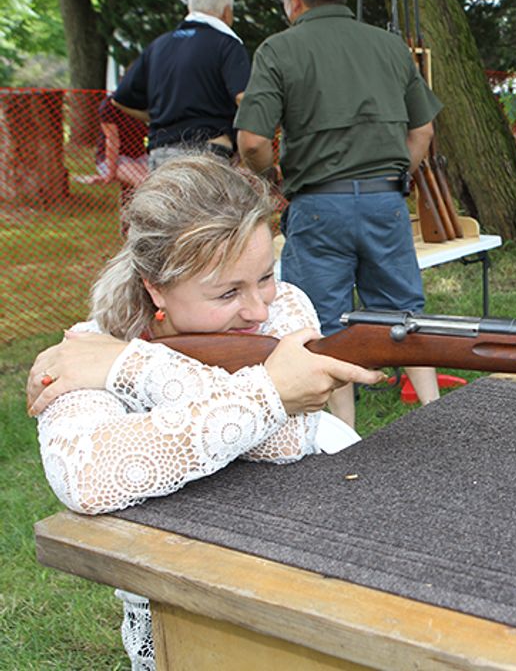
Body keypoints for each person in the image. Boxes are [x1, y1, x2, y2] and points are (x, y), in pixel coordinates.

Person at [27, 155, 382, 670]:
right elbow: (86, 477)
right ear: (155, 287)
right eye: (227, 292)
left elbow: (283, 440)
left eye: (264, 275)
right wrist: (270, 391)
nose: (259, 308)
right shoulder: (88, 347)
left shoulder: (283, 309)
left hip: (318, 556)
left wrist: (136, 367)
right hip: (185, 596)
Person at [235, 0, 443, 415]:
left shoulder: (278, 49)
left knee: (322, 325)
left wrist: (276, 177)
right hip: (383, 201)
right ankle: (432, 413)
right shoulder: (390, 46)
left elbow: (251, 142)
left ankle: (343, 438)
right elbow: (423, 131)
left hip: (317, 205)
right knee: (405, 316)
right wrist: (394, 178)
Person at [113, 0, 250, 169]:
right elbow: (244, 97)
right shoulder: (227, 44)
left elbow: (120, 99)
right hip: (209, 153)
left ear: (190, 9)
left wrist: (157, 118)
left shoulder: (159, 46)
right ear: (227, 12)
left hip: (161, 155)